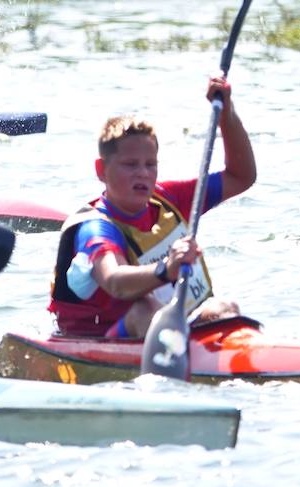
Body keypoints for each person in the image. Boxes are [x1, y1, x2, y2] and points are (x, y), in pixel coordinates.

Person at [48, 76, 257, 339]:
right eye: (130, 164)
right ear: (102, 170)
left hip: (171, 329)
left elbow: (241, 177)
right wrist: (165, 268)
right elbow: (114, 280)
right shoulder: (97, 228)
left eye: (150, 164)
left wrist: (227, 112)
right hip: (100, 339)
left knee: (224, 309)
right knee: (145, 309)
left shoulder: (168, 198)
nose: (143, 174)